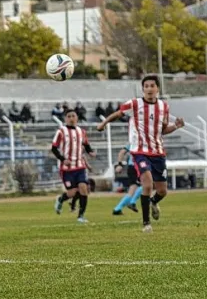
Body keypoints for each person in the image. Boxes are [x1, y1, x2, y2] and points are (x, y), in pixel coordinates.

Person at [97, 75, 185, 233]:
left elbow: (163, 130)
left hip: (158, 152)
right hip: (139, 152)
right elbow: (118, 113)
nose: (149, 89)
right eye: (146, 86)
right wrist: (104, 123)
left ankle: (153, 202)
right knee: (147, 184)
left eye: (152, 86)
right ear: (143, 89)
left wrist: (176, 126)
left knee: (162, 191)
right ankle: (146, 224)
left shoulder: (164, 106)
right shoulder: (134, 104)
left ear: (157, 88)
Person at [52, 108, 95, 224]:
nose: (71, 118)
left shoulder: (81, 131)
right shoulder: (61, 131)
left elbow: (86, 144)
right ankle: (61, 199)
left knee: (83, 189)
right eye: (69, 116)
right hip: (67, 168)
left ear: (77, 118)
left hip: (80, 166)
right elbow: (54, 148)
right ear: (65, 119)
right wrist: (63, 159)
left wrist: (90, 152)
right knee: (72, 193)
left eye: (73, 116)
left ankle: (81, 216)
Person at [111, 146, 140, 216]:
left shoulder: (133, 141)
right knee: (139, 187)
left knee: (141, 187)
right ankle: (129, 204)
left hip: (134, 167)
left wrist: (119, 165)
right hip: (135, 167)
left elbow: (122, 152)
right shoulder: (135, 141)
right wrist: (119, 165)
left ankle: (119, 208)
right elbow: (121, 152)